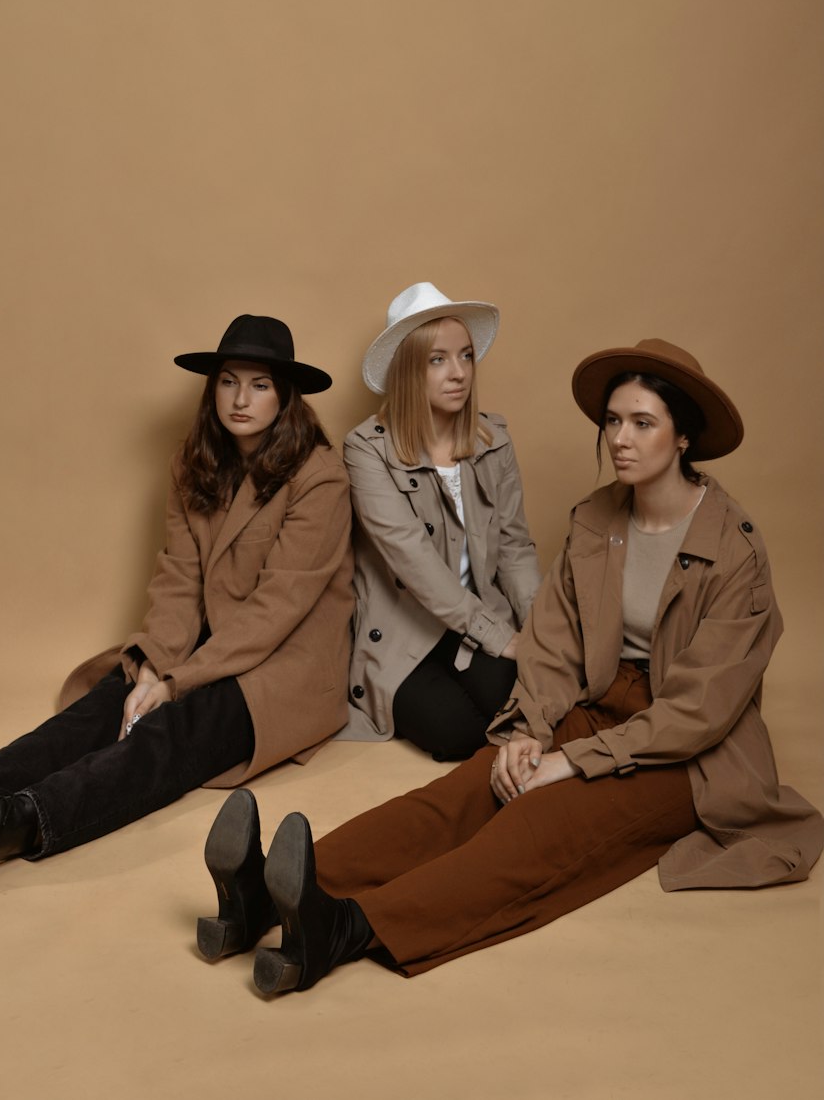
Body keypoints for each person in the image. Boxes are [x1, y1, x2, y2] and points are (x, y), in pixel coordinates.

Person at [195, 338, 823, 992]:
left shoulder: (735, 550)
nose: (620, 439)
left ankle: (341, 929)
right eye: (612, 421)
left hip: (689, 753)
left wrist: (569, 761)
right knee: (465, 793)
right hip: (597, 704)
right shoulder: (595, 519)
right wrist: (530, 732)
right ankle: (260, 896)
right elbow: (553, 643)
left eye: (643, 423)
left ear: (684, 438)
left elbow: (701, 711)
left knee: (533, 827)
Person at [0, 315, 355, 899]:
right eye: (228, 381)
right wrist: (154, 665)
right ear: (211, 388)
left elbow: (277, 608)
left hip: (281, 669)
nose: (241, 399)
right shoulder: (195, 462)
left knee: (166, 735)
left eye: (260, 384)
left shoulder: (319, 477)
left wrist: (175, 681)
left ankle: (1, 829)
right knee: (100, 708)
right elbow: (177, 579)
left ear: (286, 395)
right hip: (200, 644)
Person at [336, 282, 540, 761]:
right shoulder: (367, 450)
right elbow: (414, 561)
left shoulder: (495, 441)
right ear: (408, 369)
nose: (459, 373)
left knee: (523, 706)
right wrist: (499, 638)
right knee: (457, 736)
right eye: (438, 360)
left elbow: (515, 547)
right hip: (407, 629)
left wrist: (537, 634)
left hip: (482, 614)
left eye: (466, 356)